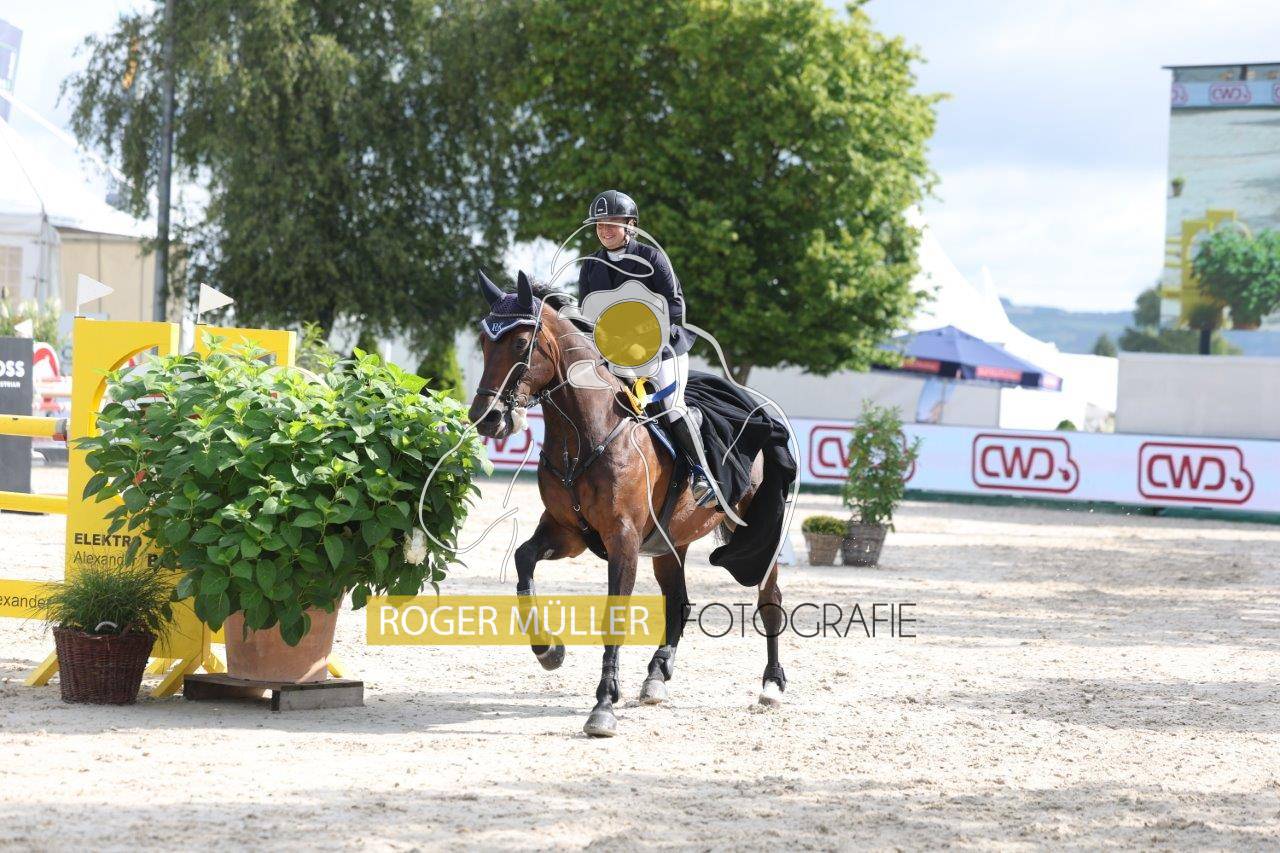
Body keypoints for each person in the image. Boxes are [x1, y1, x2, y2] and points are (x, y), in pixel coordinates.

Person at [577, 189, 716, 506]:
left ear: (631, 225)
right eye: (599, 224)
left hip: (663, 349)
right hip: (614, 354)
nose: (604, 230)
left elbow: (675, 309)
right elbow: (587, 316)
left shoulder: (653, 258)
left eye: (612, 223)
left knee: (672, 406)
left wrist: (638, 337)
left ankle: (702, 474)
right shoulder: (590, 266)